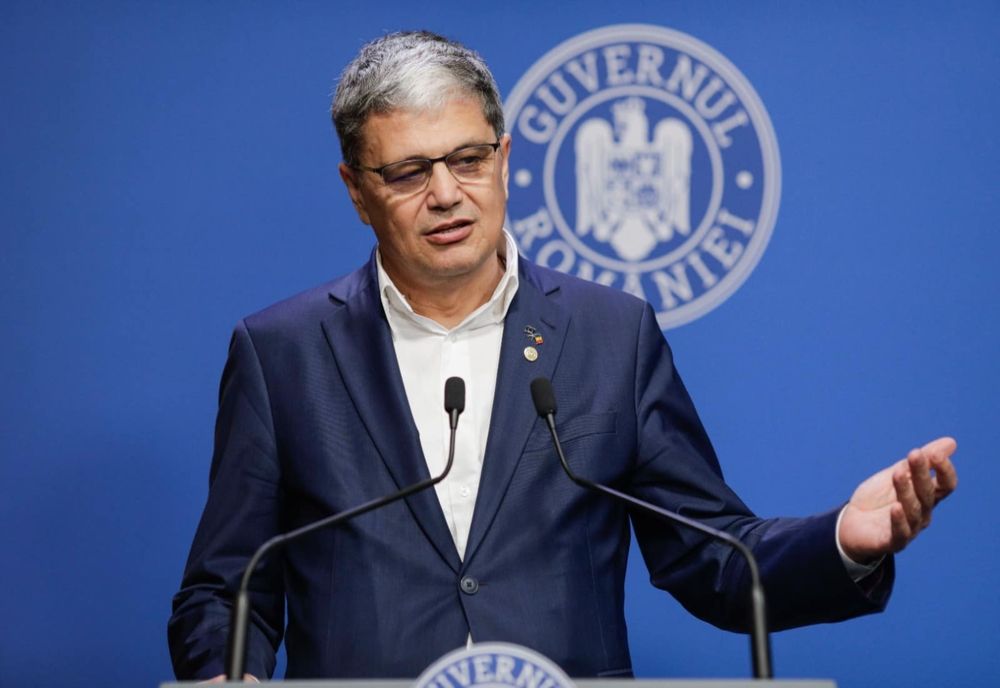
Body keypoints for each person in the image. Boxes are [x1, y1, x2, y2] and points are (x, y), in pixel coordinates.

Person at [168, 31, 958, 682]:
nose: (446, 193)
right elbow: (227, 584)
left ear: (505, 158)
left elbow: (714, 557)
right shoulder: (282, 353)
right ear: (355, 188)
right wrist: (222, 673)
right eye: (408, 172)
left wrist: (843, 539)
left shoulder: (611, 333)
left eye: (468, 159)